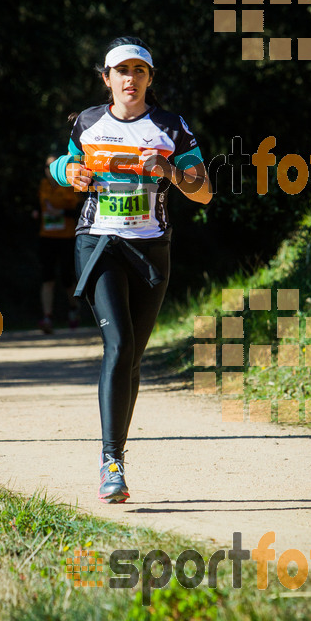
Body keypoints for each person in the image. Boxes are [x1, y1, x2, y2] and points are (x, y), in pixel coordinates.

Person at [50, 36, 212, 503]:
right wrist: (68, 172)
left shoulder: (170, 126)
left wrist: (169, 170)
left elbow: (203, 191)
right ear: (107, 79)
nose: (130, 79)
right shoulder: (87, 122)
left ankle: (117, 451)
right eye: (121, 71)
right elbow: (63, 165)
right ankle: (111, 462)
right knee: (118, 345)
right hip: (98, 243)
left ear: (149, 78)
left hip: (151, 250)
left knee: (133, 357)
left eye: (138, 71)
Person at [35, 154, 81, 332]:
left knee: (67, 278)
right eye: (47, 167)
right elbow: (39, 206)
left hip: (67, 238)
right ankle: (47, 317)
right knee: (47, 278)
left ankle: (74, 309)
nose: (49, 170)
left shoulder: (70, 184)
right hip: (46, 237)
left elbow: (77, 211)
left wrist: (59, 213)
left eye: (53, 166)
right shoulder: (43, 186)